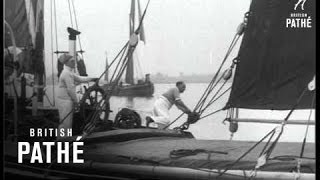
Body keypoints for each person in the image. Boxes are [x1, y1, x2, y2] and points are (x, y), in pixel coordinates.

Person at [56, 53, 98, 139]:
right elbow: (70, 89)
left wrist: (92, 78)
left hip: (65, 100)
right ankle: (61, 141)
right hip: (65, 101)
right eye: (72, 61)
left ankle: (63, 140)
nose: (74, 62)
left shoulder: (68, 72)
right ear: (66, 62)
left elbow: (80, 78)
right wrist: (76, 102)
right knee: (65, 123)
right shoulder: (66, 74)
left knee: (66, 122)